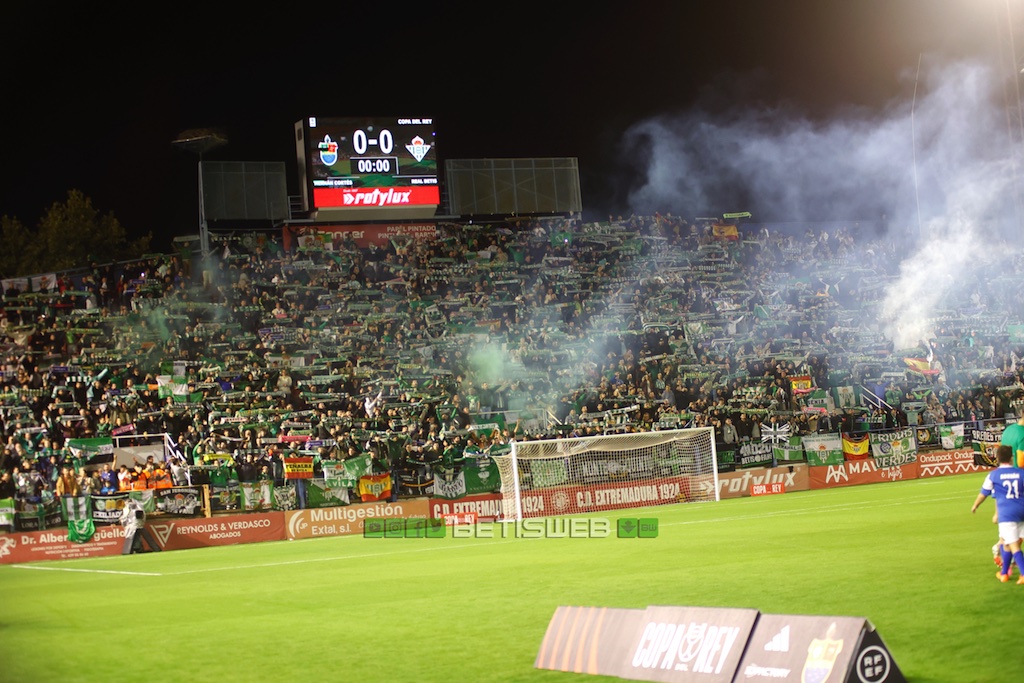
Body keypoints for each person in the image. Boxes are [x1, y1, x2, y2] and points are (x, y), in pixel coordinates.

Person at [971, 446, 1024, 583]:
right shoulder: (1021, 473)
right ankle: (1004, 573)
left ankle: (1023, 574)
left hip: (1007, 514)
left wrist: (975, 505)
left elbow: (984, 493)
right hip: (1021, 512)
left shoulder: (993, 475)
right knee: (1006, 543)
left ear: (998, 458)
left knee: (1012, 545)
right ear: (1011, 457)